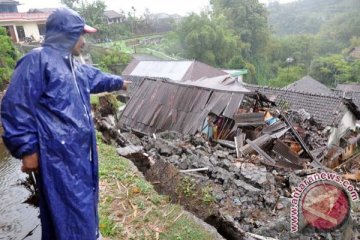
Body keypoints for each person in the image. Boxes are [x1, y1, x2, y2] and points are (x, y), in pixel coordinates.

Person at [1, 7, 128, 239]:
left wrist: (120, 82)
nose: (84, 42)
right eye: (81, 35)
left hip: (79, 154)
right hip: (56, 156)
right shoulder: (37, 60)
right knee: (67, 208)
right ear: (67, 34)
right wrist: (27, 149)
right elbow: (16, 105)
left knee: (82, 200)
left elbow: (97, 78)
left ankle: (90, 233)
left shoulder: (74, 67)